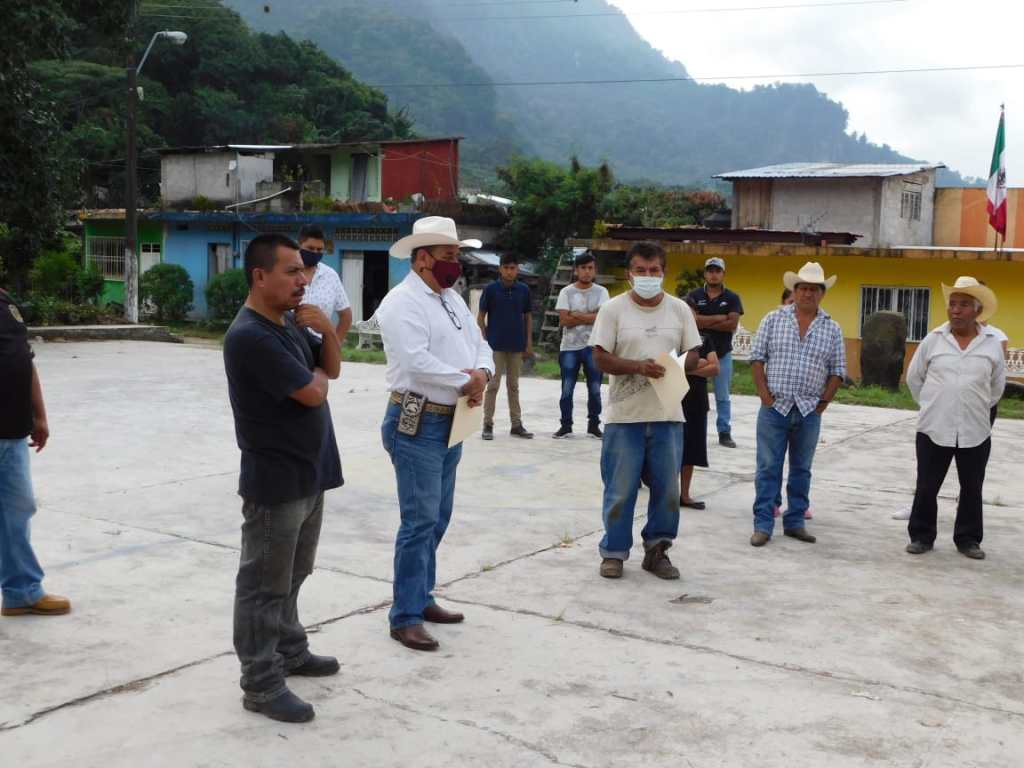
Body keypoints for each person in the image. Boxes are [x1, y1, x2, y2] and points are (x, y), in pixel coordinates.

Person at [223, 233, 344, 723]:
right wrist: (317, 378)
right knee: (263, 584)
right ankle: (261, 681)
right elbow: (314, 392)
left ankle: (290, 649)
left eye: (304, 270)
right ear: (260, 276)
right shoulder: (250, 334)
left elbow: (329, 370)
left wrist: (328, 333)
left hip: (310, 472)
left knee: (295, 573)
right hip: (276, 478)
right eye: (292, 271)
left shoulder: (291, 323)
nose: (303, 279)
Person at [377, 217, 494, 652]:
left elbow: (479, 343)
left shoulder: (451, 299)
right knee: (419, 520)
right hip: (417, 421)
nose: (455, 264)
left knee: (437, 518)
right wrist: (464, 380)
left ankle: (421, 597)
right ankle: (404, 615)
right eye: (448, 256)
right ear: (422, 257)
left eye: (457, 256)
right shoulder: (401, 303)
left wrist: (481, 372)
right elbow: (414, 361)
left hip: (452, 420)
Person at [590, 241, 701, 580]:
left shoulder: (680, 309)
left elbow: (694, 352)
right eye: (641, 270)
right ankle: (613, 553)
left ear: (663, 273)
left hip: (668, 415)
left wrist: (676, 366)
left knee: (667, 490)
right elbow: (600, 357)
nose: (648, 276)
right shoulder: (612, 310)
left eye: (654, 271)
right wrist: (638, 367)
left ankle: (658, 551)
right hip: (625, 416)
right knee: (620, 488)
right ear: (629, 274)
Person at [904, 277, 1005, 560]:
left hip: (975, 429)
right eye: (952, 304)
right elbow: (915, 379)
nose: (956, 310)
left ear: (977, 309)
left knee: (972, 487)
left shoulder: (991, 344)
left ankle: (968, 539)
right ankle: (922, 536)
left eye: (963, 305)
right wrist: (933, 404)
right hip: (934, 426)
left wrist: (974, 406)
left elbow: (996, 388)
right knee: (926, 485)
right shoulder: (934, 339)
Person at [749, 262, 846, 547]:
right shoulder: (773, 319)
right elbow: (756, 358)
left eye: (814, 289)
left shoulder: (832, 328)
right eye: (802, 288)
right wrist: (763, 394)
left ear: (822, 294)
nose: (807, 294)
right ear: (795, 290)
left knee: (802, 469)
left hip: (808, 411)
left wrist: (823, 403)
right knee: (768, 467)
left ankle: (795, 522)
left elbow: (838, 370)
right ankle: (763, 525)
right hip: (774, 408)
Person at [0, 289, 70, 618]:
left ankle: (20, 591)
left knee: (18, 509)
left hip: (13, 432)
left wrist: (39, 415)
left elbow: (24, 360)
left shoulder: (6, 303)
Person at [687, 257, 744, 448]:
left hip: (722, 353)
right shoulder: (693, 296)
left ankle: (724, 432)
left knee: (722, 395)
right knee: (691, 392)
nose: (713, 274)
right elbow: (692, 321)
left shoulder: (732, 298)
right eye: (710, 270)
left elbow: (732, 324)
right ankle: (690, 426)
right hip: (698, 353)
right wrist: (719, 317)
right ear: (705, 273)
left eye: (717, 271)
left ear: (723, 274)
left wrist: (704, 319)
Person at [553, 251, 609, 439]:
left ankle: (594, 425)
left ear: (595, 270)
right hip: (569, 347)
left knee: (595, 389)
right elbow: (564, 321)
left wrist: (576, 314)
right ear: (576, 270)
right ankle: (566, 425)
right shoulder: (566, 292)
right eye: (583, 268)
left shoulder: (602, 292)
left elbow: (603, 319)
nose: (586, 272)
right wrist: (590, 315)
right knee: (567, 389)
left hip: (593, 346)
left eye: (590, 268)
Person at [478, 253, 534, 440]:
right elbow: (480, 317)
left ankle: (516, 424)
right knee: (493, 385)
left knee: (514, 386)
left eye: (513, 268)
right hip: (495, 346)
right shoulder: (491, 290)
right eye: (506, 268)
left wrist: (528, 343)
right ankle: (487, 424)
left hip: (516, 346)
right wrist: (485, 340)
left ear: (517, 269)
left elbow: (527, 317)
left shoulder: (524, 290)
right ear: (500, 269)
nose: (510, 272)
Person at [679, 299, 720, 509]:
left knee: (692, 448)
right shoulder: (670, 337)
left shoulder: (705, 338)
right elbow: (666, 366)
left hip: (696, 399)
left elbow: (715, 367)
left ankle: (684, 494)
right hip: (673, 397)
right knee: (667, 448)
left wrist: (687, 369)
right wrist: (700, 364)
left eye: (691, 311)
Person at [297, 224, 353, 344]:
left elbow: (346, 316)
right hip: (290, 348)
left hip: (321, 349)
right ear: (299, 246)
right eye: (310, 248)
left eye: (319, 249)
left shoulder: (330, 275)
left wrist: (334, 345)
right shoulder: (287, 273)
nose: (315, 252)